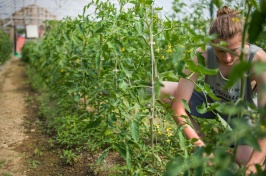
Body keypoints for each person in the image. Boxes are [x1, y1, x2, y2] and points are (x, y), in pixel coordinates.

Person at [160, 6, 266, 175]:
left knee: (245, 161)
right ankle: (204, 144)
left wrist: (253, 165)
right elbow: (179, 106)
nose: (227, 58)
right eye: (220, 51)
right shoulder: (201, 54)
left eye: (234, 51)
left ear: (245, 42)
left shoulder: (258, 61)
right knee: (161, 89)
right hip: (212, 102)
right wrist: (200, 147)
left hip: (242, 113)